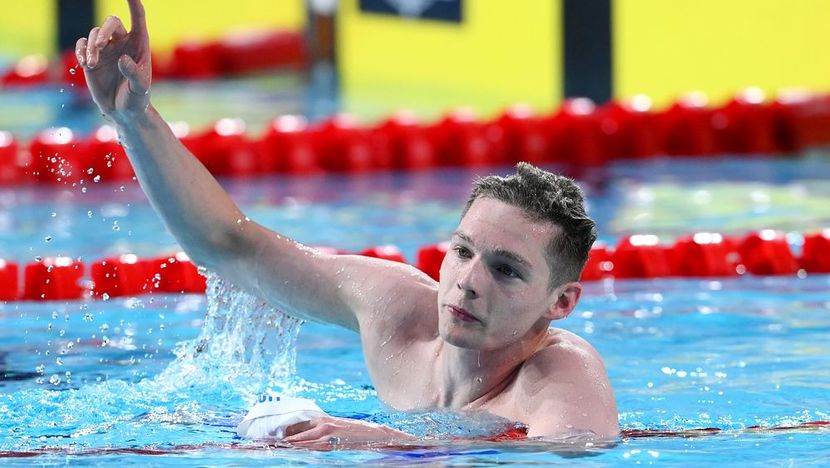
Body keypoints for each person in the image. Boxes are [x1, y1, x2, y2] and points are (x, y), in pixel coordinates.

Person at [75, 0, 619, 447]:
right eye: (462, 251)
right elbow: (230, 246)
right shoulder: (395, 308)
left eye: (506, 270)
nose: (468, 282)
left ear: (561, 302)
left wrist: (397, 443)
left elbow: (572, 449)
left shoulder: (558, 374)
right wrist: (133, 119)